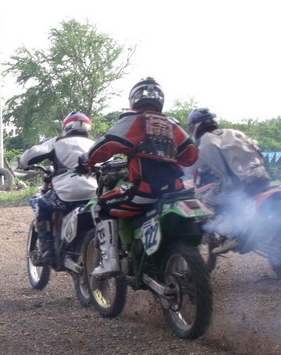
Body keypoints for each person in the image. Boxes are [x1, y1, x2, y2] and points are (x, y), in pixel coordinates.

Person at [79, 77, 198, 276]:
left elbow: (107, 144)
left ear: (134, 98)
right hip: (176, 192)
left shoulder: (135, 119)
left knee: (100, 206)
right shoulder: (172, 124)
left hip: (145, 192)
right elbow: (191, 155)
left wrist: (85, 161)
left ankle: (109, 262)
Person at [187, 107, 272, 253]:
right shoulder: (234, 132)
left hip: (239, 184)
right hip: (262, 176)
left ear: (196, 126)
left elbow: (188, 167)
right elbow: (256, 146)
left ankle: (231, 236)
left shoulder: (202, 143)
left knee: (206, 202)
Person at [17, 111, 97, 265]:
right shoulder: (96, 144)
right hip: (95, 194)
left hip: (67, 195)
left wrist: (22, 164)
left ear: (66, 127)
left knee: (42, 205)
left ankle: (47, 250)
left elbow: (30, 156)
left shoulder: (57, 141)